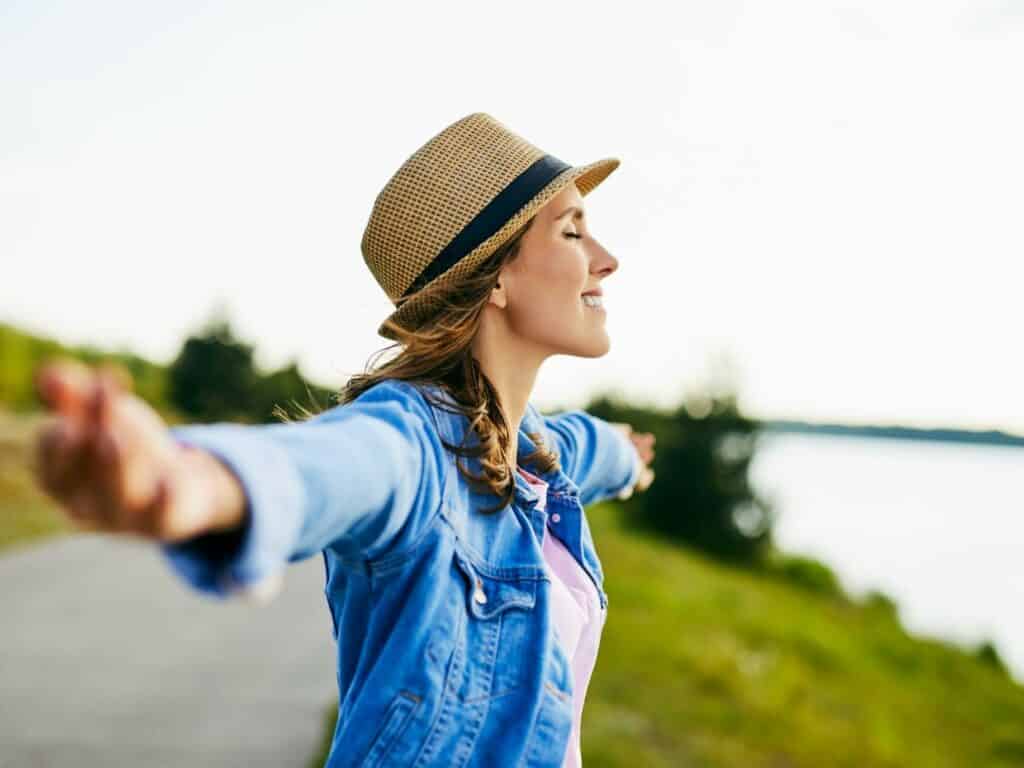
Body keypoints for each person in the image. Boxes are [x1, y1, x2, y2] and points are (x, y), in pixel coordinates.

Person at [31, 111, 656, 768]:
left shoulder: (528, 451)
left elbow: (588, 448)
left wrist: (627, 457)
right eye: (572, 232)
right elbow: (315, 468)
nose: (606, 260)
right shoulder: (411, 445)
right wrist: (185, 481)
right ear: (495, 276)